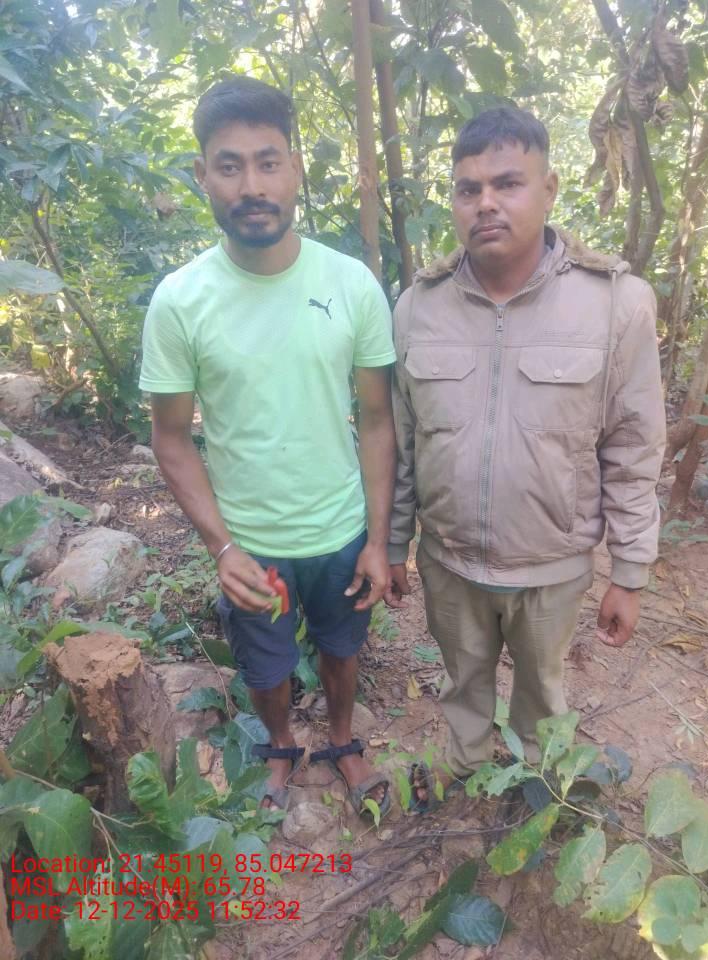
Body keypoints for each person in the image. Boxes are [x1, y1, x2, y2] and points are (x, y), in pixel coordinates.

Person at [385, 107, 665, 790]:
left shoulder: (616, 304)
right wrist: (393, 544)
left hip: (551, 567)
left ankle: (538, 787)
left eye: (507, 183)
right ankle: (465, 770)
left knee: (542, 692)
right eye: (468, 189)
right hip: (449, 560)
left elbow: (633, 447)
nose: (486, 203)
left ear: (549, 189)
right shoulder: (418, 307)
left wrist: (630, 571)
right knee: (462, 682)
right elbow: (403, 442)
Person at [139, 76, 396, 815]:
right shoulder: (181, 301)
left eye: (268, 162)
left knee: (343, 648)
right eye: (229, 165)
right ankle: (281, 745)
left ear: (295, 169)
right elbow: (171, 438)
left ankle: (342, 739)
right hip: (252, 547)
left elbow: (378, 420)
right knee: (265, 663)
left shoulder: (351, 285)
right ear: (203, 175)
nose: (251, 185)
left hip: (341, 532)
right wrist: (222, 546)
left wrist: (379, 540)